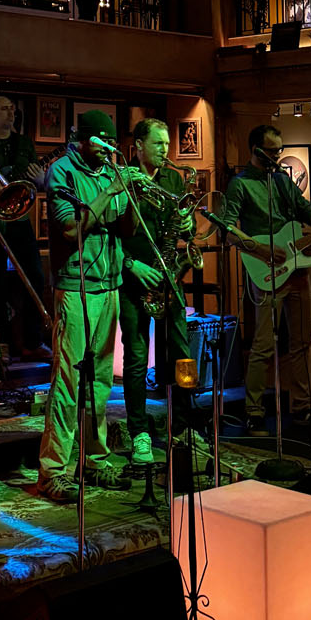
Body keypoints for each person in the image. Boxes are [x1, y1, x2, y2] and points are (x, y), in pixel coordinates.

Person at [36, 110, 135, 503]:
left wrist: (132, 196)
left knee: (100, 382)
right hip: (75, 286)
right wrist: (112, 192)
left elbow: (126, 229)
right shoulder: (62, 171)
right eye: (103, 143)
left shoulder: (110, 171)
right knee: (68, 381)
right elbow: (69, 228)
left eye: (112, 143)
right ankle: (53, 472)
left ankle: (93, 459)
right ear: (85, 141)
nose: (109, 149)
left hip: (109, 285)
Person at [220, 123, 311, 431]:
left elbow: (306, 212)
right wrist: (261, 249)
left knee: (301, 342)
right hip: (265, 271)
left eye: (279, 150)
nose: (276, 156)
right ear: (255, 150)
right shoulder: (240, 184)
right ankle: (254, 410)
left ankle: (302, 406)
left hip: (297, 270)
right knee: (264, 345)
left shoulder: (282, 180)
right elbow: (227, 230)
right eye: (271, 151)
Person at [119, 118, 203, 466]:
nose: (165, 150)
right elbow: (108, 233)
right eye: (158, 143)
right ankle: (139, 432)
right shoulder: (122, 179)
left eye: (167, 143)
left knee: (181, 353)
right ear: (138, 145)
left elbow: (187, 230)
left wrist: (188, 225)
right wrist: (130, 265)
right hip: (133, 279)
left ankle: (181, 426)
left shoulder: (172, 179)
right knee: (137, 359)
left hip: (169, 278)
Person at [0, 95, 49, 359]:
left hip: (19, 219)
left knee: (36, 277)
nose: (11, 113)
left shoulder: (24, 143)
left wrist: (41, 180)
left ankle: (32, 340)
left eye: (12, 108)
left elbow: (33, 182)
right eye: (5, 109)